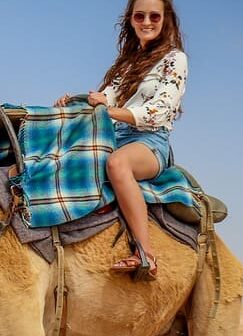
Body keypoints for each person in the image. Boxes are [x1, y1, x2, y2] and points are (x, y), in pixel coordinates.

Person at [57, 0, 187, 281]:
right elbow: (105, 99)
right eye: (140, 15)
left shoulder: (174, 60)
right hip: (114, 135)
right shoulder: (126, 65)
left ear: (166, 20)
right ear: (131, 20)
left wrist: (110, 110)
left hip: (150, 141)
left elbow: (159, 110)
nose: (147, 21)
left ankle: (146, 255)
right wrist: (75, 103)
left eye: (154, 15)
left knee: (118, 165)